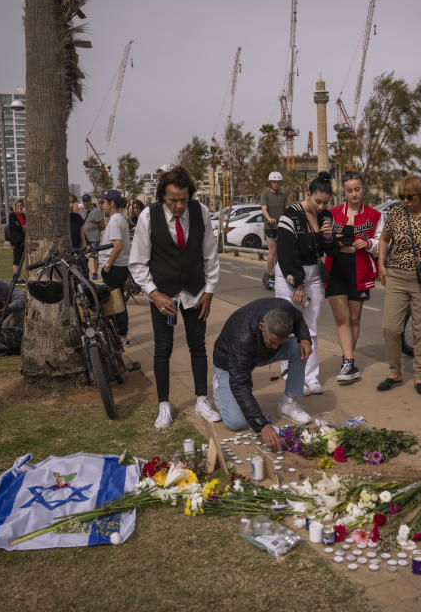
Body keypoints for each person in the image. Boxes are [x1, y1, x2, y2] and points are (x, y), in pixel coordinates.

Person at [129, 166, 222, 429]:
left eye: (183, 199)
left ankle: (202, 399)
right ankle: (164, 404)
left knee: (198, 345)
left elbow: (209, 256)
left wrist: (210, 292)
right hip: (164, 293)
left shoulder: (200, 211)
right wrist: (154, 294)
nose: (179, 205)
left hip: (195, 290)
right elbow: (138, 263)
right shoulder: (149, 216)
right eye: (173, 200)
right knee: (163, 348)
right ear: (162, 197)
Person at [212, 298, 314, 446]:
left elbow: (298, 320)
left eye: (279, 343)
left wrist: (305, 338)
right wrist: (262, 425)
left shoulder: (286, 311)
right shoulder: (243, 337)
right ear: (261, 326)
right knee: (236, 423)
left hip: (258, 354)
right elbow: (240, 384)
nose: (275, 347)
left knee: (299, 348)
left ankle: (288, 402)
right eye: (272, 341)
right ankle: (220, 388)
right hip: (229, 362)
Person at [377, 175, 421, 396]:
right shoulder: (396, 213)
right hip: (396, 275)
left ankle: (419, 376)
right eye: (401, 197)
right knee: (390, 327)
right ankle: (395, 372)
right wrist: (381, 263)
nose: (405, 201)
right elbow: (385, 239)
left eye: (409, 197)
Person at [274, 171, 335, 396]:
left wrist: (329, 237)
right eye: (317, 201)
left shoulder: (326, 217)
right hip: (290, 275)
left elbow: (331, 250)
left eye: (325, 203)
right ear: (307, 194)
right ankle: (290, 373)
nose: (321, 207)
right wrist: (298, 284)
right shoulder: (289, 216)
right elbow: (286, 253)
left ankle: (311, 376)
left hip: (314, 274)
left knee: (312, 328)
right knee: (288, 326)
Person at [324, 171, 383, 384]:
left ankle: (349, 359)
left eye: (357, 189)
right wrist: (332, 240)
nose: (353, 193)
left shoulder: (375, 216)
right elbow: (323, 240)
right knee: (342, 318)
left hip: (359, 268)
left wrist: (368, 244)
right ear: (344, 192)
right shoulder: (332, 213)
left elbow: (380, 245)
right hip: (336, 267)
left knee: (355, 318)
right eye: (349, 190)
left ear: (363, 189)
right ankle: (348, 362)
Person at [97, 189, 132, 346]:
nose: (101, 205)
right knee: (116, 303)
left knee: (116, 304)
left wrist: (108, 265)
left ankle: (122, 337)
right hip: (117, 267)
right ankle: (119, 336)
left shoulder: (116, 220)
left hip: (115, 268)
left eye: (103, 202)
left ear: (111, 204)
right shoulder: (116, 219)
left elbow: (117, 246)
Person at [261, 171, 288, 288]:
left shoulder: (283, 196)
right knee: (272, 251)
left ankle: (278, 272)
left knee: (279, 252)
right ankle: (271, 273)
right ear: (270, 183)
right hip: (270, 227)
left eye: (278, 182)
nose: (276, 184)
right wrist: (269, 218)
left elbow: (286, 209)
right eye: (274, 182)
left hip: (281, 227)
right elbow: (264, 208)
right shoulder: (265, 195)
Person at [81, 193, 105, 280]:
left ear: (91, 201)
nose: (86, 203)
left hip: (94, 238)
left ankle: (95, 273)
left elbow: (102, 225)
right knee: (83, 257)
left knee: (95, 256)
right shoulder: (81, 211)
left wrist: (95, 230)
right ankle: (85, 272)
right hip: (84, 239)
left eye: (87, 201)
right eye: (84, 201)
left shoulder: (95, 211)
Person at [7, 199, 25, 276]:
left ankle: (20, 277)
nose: (20, 207)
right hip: (16, 241)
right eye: (18, 205)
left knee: (21, 260)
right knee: (17, 260)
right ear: (15, 206)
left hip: (23, 241)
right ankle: (17, 278)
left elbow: (22, 227)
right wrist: (23, 227)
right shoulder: (12, 215)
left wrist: (22, 227)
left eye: (21, 205)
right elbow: (16, 227)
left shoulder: (24, 215)